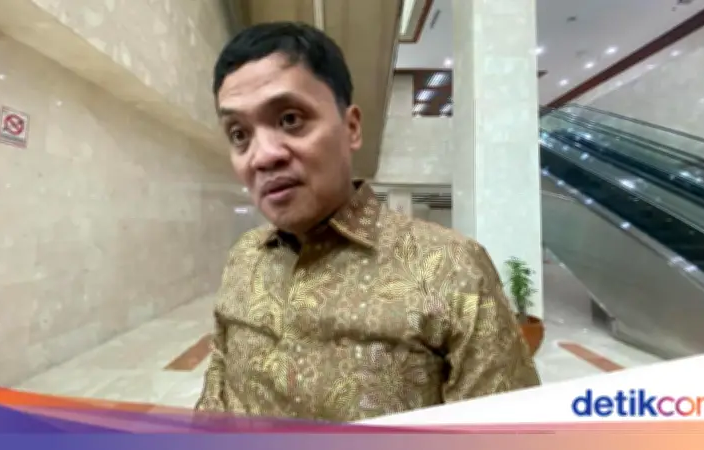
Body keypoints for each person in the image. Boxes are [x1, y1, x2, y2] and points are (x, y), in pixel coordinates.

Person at [194, 21, 540, 422]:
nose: (263, 155)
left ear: (352, 128)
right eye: (239, 134)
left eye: (290, 119)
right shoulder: (244, 257)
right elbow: (216, 394)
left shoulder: (452, 269)